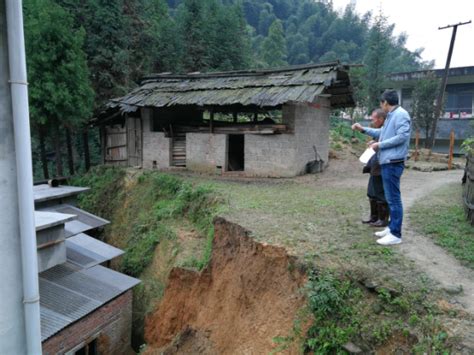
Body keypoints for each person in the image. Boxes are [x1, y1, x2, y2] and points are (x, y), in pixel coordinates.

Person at [352, 90, 411, 245]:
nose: (381, 106)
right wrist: (363, 129)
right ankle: (391, 228)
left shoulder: (401, 115)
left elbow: (402, 136)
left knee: (393, 199)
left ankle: (396, 234)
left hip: (393, 162)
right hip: (387, 161)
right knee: (391, 198)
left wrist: (380, 144)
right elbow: (381, 133)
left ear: (385, 102)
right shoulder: (392, 116)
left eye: (381, 103)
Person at [361, 109, 389, 228]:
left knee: (379, 193)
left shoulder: (387, 130)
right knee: (371, 193)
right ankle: (374, 217)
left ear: (381, 119)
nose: (372, 120)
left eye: (374, 118)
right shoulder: (380, 132)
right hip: (374, 167)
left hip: (381, 167)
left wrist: (377, 144)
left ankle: (382, 219)